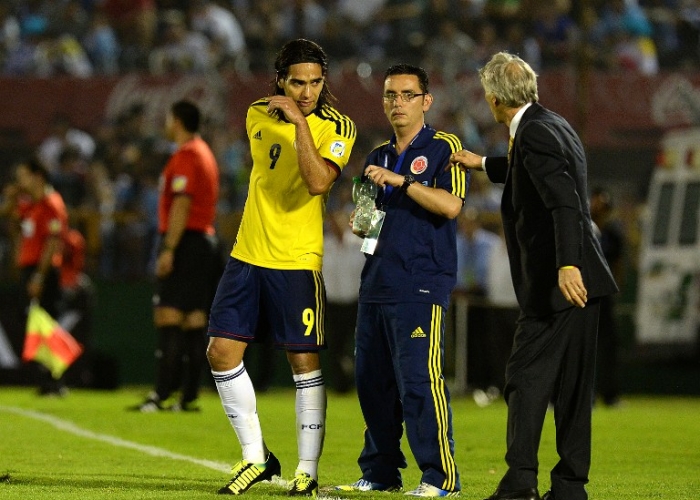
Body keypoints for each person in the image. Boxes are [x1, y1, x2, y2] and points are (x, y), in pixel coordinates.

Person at [450, 52, 619, 500]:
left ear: (492, 98)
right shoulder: (553, 124)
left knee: (525, 379)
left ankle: (520, 481)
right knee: (573, 389)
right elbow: (532, 174)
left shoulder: (535, 133)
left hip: (559, 283)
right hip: (587, 280)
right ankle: (569, 488)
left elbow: (564, 201)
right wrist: (483, 164)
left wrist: (567, 265)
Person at [205, 39, 356, 496]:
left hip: (296, 258)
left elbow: (316, 182)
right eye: (297, 83)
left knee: (303, 362)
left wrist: (299, 123)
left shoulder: (339, 126)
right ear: (280, 81)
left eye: (315, 82)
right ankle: (257, 457)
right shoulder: (257, 113)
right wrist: (287, 118)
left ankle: (307, 469)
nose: (307, 92)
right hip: (247, 252)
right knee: (220, 352)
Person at [336, 64, 467, 497]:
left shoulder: (445, 146)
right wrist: (361, 221)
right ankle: (379, 473)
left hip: (421, 284)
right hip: (376, 283)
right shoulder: (376, 156)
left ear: (426, 101)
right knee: (373, 385)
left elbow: (451, 206)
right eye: (390, 95)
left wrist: (405, 182)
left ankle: (439, 477)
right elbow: (367, 223)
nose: (397, 103)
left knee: (419, 383)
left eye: (407, 95)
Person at [132, 100, 221, 413]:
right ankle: (188, 397)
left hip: (186, 241)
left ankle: (161, 394)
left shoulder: (186, 155)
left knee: (169, 315)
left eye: (168, 118)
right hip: (204, 241)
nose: (165, 123)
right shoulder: (205, 153)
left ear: (178, 121)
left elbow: (182, 204)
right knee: (194, 318)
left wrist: (169, 249)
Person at [0, 158, 69, 395]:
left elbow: (52, 243)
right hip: (29, 269)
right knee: (35, 325)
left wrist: (39, 276)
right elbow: (6, 215)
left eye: (23, 176)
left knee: (48, 323)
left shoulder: (52, 203)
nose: (20, 181)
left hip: (45, 271)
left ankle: (56, 379)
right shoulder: (30, 204)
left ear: (37, 176)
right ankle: (45, 378)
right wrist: (10, 196)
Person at [590, 186, 625, 407]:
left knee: (608, 346)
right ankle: (585, 394)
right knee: (585, 346)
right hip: (586, 292)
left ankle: (610, 395)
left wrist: (616, 287)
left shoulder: (613, 232)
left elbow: (619, 264)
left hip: (605, 293)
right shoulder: (583, 226)